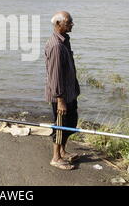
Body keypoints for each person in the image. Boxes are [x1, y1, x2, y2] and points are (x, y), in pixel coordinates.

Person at [44, 11, 80, 170]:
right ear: (58, 24)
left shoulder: (64, 41)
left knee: (70, 123)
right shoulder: (56, 46)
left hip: (69, 93)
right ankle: (56, 158)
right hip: (61, 96)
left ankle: (63, 151)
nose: (72, 24)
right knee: (60, 126)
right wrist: (60, 100)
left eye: (71, 21)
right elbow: (55, 76)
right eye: (69, 22)